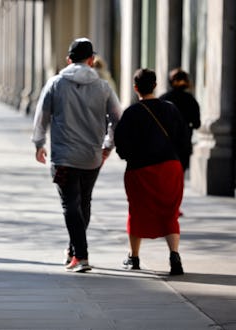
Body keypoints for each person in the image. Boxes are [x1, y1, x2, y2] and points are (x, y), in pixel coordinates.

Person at [31, 38, 121, 273]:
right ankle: (73, 251)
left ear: (69, 60)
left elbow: (42, 116)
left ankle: (81, 256)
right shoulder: (103, 87)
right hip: (92, 156)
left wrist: (39, 143)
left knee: (70, 205)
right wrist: (108, 145)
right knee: (84, 201)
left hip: (63, 157)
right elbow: (117, 118)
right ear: (91, 60)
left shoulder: (56, 83)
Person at [114, 68, 191, 275]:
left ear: (135, 88)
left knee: (137, 211)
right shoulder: (171, 109)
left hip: (140, 170)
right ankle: (174, 256)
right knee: (170, 213)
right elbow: (184, 139)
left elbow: (120, 144)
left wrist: (130, 156)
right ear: (155, 86)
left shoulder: (131, 113)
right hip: (170, 168)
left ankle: (134, 257)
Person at [159, 68, 200, 171]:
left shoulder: (163, 99)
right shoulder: (191, 100)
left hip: (165, 146)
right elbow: (197, 124)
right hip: (183, 146)